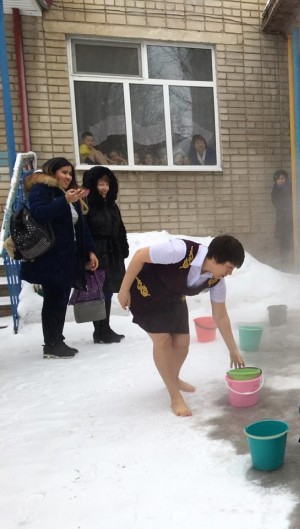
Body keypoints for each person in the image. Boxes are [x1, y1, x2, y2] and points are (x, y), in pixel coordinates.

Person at [117, 235, 246, 417]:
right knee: (163, 340)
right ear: (216, 257)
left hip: (173, 297)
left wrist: (233, 350)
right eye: (229, 267)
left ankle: (172, 378)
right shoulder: (180, 250)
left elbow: (221, 315)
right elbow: (139, 256)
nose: (230, 273)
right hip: (145, 291)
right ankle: (175, 396)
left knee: (182, 344)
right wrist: (123, 290)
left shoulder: (216, 280)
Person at [21, 158, 99, 358]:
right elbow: (39, 213)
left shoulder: (68, 193)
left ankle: (57, 339)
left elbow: (81, 225)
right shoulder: (42, 189)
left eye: (70, 173)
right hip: (50, 256)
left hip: (68, 256)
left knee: (61, 299)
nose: (68, 177)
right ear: (52, 171)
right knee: (53, 299)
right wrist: (64, 201)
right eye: (64, 172)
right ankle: (51, 344)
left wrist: (90, 251)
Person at [82, 166, 130, 344]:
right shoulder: (85, 204)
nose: (104, 188)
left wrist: (123, 247)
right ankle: (99, 331)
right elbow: (83, 231)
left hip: (112, 253)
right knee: (98, 292)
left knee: (108, 290)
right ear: (92, 185)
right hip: (96, 253)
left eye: (107, 184)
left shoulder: (111, 204)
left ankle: (105, 328)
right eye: (100, 184)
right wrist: (87, 253)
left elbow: (120, 228)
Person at [270, 169, 293, 271]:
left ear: (286, 179)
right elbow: (277, 203)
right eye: (278, 179)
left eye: (282, 178)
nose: (280, 180)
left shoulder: (291, 188)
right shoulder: (275, 190)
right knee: (283, 241)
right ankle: (285, 262)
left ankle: (291, 260)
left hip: (292, 218)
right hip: (282, 219)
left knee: (292, 239)